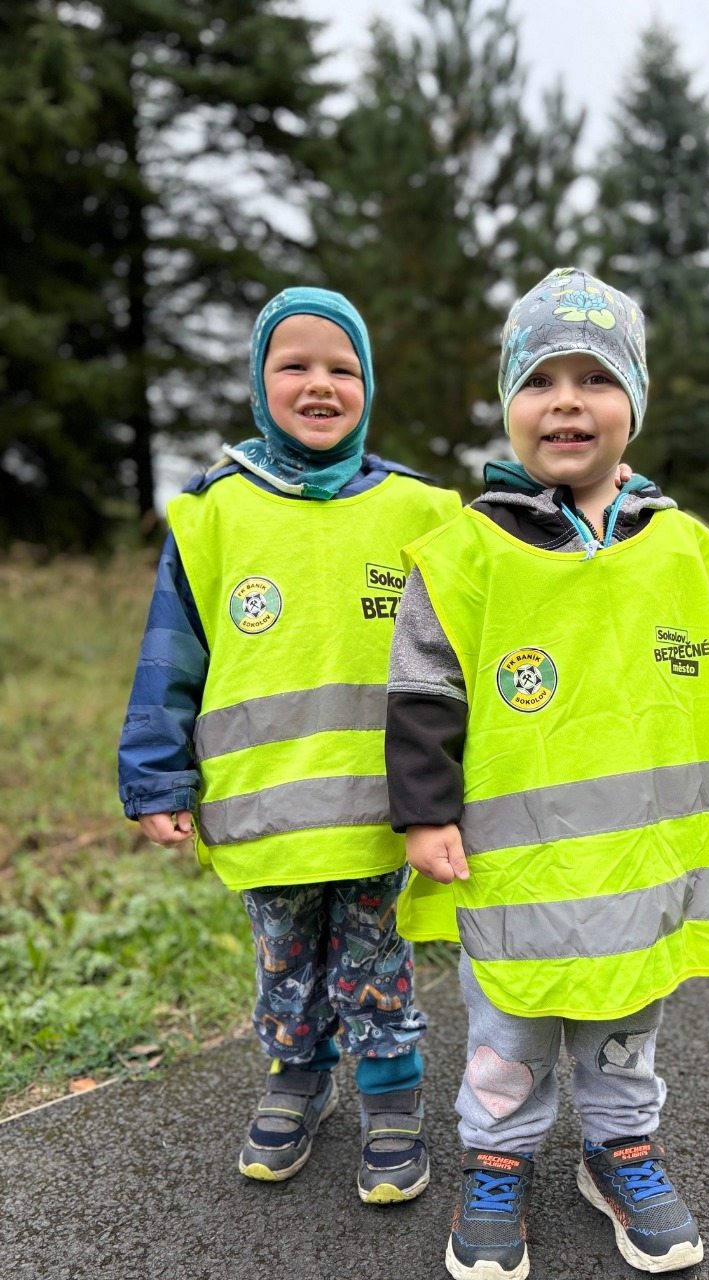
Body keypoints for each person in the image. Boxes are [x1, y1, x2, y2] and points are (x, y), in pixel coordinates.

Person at [384, 266, 709, 1278]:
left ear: (633, 403)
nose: (567, 401)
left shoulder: (685, 550)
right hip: (511, 867)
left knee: (624, 1014)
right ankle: (498, 1159)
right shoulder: (466, 553)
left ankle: (620, 1150)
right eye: (541, 379)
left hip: (641, 861)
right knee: (511, 1024)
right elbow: (422, 690)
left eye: (596, 378)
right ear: (509, 404)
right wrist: (424, 812)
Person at [118, 286, 461, 1201]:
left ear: (369, 387)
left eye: (343, 368)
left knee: (376, 958)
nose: (320, 384)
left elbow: (475, 636)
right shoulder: (215, 512)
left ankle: (391, 1094)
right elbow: (171, 655)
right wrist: (156, 776)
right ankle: (297, 1078)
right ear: (258, 382)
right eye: (294, 365)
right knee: (284, 960)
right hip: (265, 808)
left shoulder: (423, 512)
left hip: (381, 810)